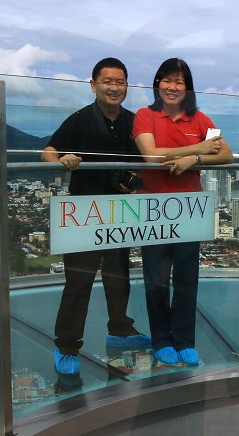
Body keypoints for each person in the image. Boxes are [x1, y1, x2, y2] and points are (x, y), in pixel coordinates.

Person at [42, 57, 151, 375]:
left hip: (119, 210)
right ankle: (66, 347)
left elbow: (146, 159)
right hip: (84, 213)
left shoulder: (133, 122)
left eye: (120, 82)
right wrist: (63, 158)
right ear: (93, 85)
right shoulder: (80, 120)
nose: (114, 87)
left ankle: (120, 329)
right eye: (108, 81)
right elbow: (48, 151)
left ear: (127, 87)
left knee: (119, 277)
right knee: (79, 281)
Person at [132, 58, 233, 366]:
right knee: (157, 279)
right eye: (166, 80)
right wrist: (199, 149)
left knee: (188, 278)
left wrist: (194, 161)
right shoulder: (145, 116)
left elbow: (226, 154)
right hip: (154, 207)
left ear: (187, 88)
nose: (172, 87)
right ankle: (162, 340)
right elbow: (150, 157)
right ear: (157, 84)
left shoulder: (200, 120)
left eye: (179, 81)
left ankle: (185, 340)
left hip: (190, 209)